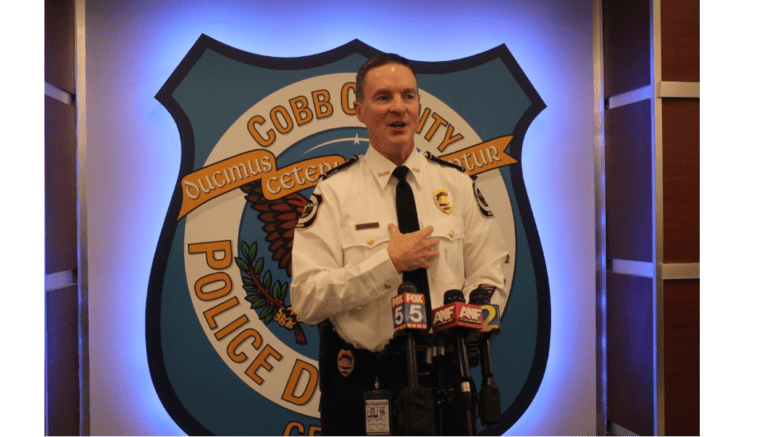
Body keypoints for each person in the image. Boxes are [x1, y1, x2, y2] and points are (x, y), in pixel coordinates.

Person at [290, 53, 509, 435]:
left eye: (408, 96)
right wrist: (388, 263)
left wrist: (471, 318)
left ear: (419, 107)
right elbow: (307, 298)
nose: (399, 108)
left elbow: (490, 269)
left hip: (448, 376)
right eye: (383, 97)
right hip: (367, 383)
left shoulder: (456, 185)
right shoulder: (334, 193)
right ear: (359, 109)